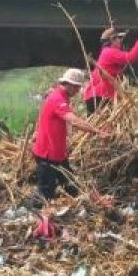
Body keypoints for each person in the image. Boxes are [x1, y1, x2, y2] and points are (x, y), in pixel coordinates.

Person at [32, 68, 109, 202]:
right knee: (45, 193)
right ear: (70, 85)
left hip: (58, 154)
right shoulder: (57, 99)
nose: (78, 91)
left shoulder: (60, 96)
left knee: (71, 186)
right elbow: (74, 120)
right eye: (77, 87)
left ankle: (81, 207)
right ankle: (36, 218)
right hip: (48, 155)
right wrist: (97, 132)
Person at [82, 26, 138, 113]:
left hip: (95, 95)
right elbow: (130, 57)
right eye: (119, 38)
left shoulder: (106, 52)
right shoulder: (110, 52)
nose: (121, 40)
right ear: (112, 40)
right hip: (100, 95)